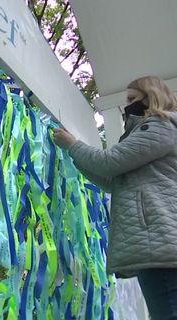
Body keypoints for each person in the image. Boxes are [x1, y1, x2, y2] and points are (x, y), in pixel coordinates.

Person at [53, 76, 177, 320]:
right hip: (156, 243)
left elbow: (109, 163)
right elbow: (112, 181)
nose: (128, 105)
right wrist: (76, 156)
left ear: (151, 96)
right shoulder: (151, 133)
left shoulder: (159, 126)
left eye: (133, 99)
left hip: (158, 240)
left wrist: (73, 145)